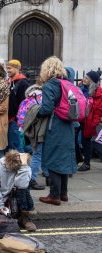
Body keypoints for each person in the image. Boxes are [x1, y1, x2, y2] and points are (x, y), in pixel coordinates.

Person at [38, 56, 77, 206]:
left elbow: (47, 109)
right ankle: (63, 193)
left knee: (53, 158)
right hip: (68, 125)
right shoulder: (66, 83)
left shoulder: (50, 85)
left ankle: (54, 195)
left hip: (55, 125)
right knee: (64, 158)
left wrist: (36, 111)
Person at [0, 150, 37, 231]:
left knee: (23, 189)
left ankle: (24, 217)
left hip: (16, 195)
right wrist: (0, 205)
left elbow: (22, 185)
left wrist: (24, 167)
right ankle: (14, 217)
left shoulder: (23, 165)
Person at [16, 84, 46, 190]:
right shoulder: (43, 99)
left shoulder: (26, 101)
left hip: (27, 131)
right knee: (39, 154)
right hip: (41, 130)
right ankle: (32, 178)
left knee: (32, 152)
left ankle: (28, 177)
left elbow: (20, 118)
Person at [78, 71, 102, 172]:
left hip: (89, 120)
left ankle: (87, 163)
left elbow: (99, 110)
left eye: (86, 78)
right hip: (79, 117)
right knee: (75, 138)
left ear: (92, 81)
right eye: (84, 77)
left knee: (86, 141)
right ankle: (78, 158)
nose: (84, 79)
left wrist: (93, 123)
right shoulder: (80, 88)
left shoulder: (98, 93)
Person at [6, 59, 31, 152]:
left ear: (17, 68)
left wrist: (17, 119)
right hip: (11, 119)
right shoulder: (11, 82)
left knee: (17, 147)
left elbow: (23, 103)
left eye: (10, 68)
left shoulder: (22, 83)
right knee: (13, 146)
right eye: (7, 68)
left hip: (16, 121)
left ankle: (22, 165)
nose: (8, 70)